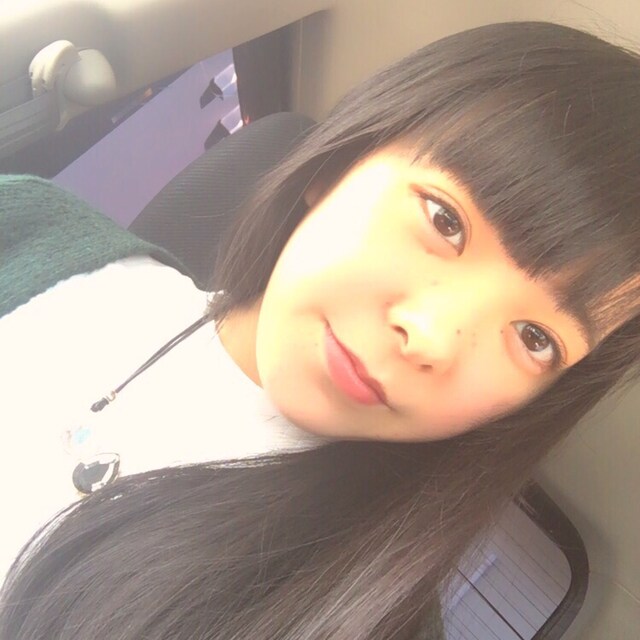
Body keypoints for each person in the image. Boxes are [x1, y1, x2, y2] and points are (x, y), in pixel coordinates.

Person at [0, 20, 639, 640]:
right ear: (340, 163)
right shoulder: (34, 225)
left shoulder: (363, 614)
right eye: (445, 220)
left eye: (535, 338)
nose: (431, 335)